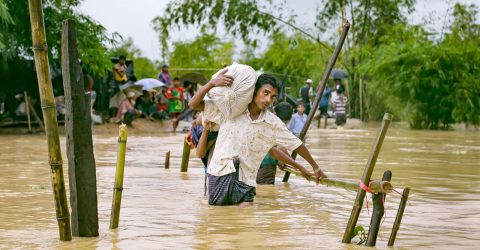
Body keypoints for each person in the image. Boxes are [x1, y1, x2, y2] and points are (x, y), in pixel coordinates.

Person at [189, 71, 327, 207]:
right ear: (255, 91)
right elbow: (193, 104)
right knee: (219, 222)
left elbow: (296, 145)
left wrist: (314, 167)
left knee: (246, 223)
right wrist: (211, 84)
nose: (268, 100)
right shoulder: (230, 110)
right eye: (265, 93)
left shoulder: (272, 124)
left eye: (273, 97)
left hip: (246, 181)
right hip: (220, 174)